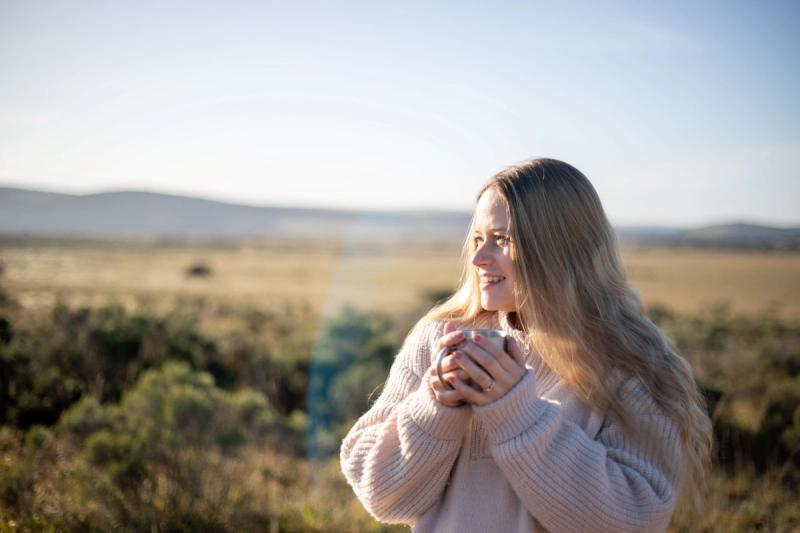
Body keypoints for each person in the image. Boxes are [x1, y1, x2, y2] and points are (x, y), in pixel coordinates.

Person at [339, 158, 713, 532]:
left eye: (501, 240)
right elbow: (381, 496)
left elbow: (635, 518)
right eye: (477, 239)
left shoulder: (631, 365)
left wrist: (518, 415)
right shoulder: (440, 339)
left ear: (560, 247)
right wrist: (435, 405)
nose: (479, 258)